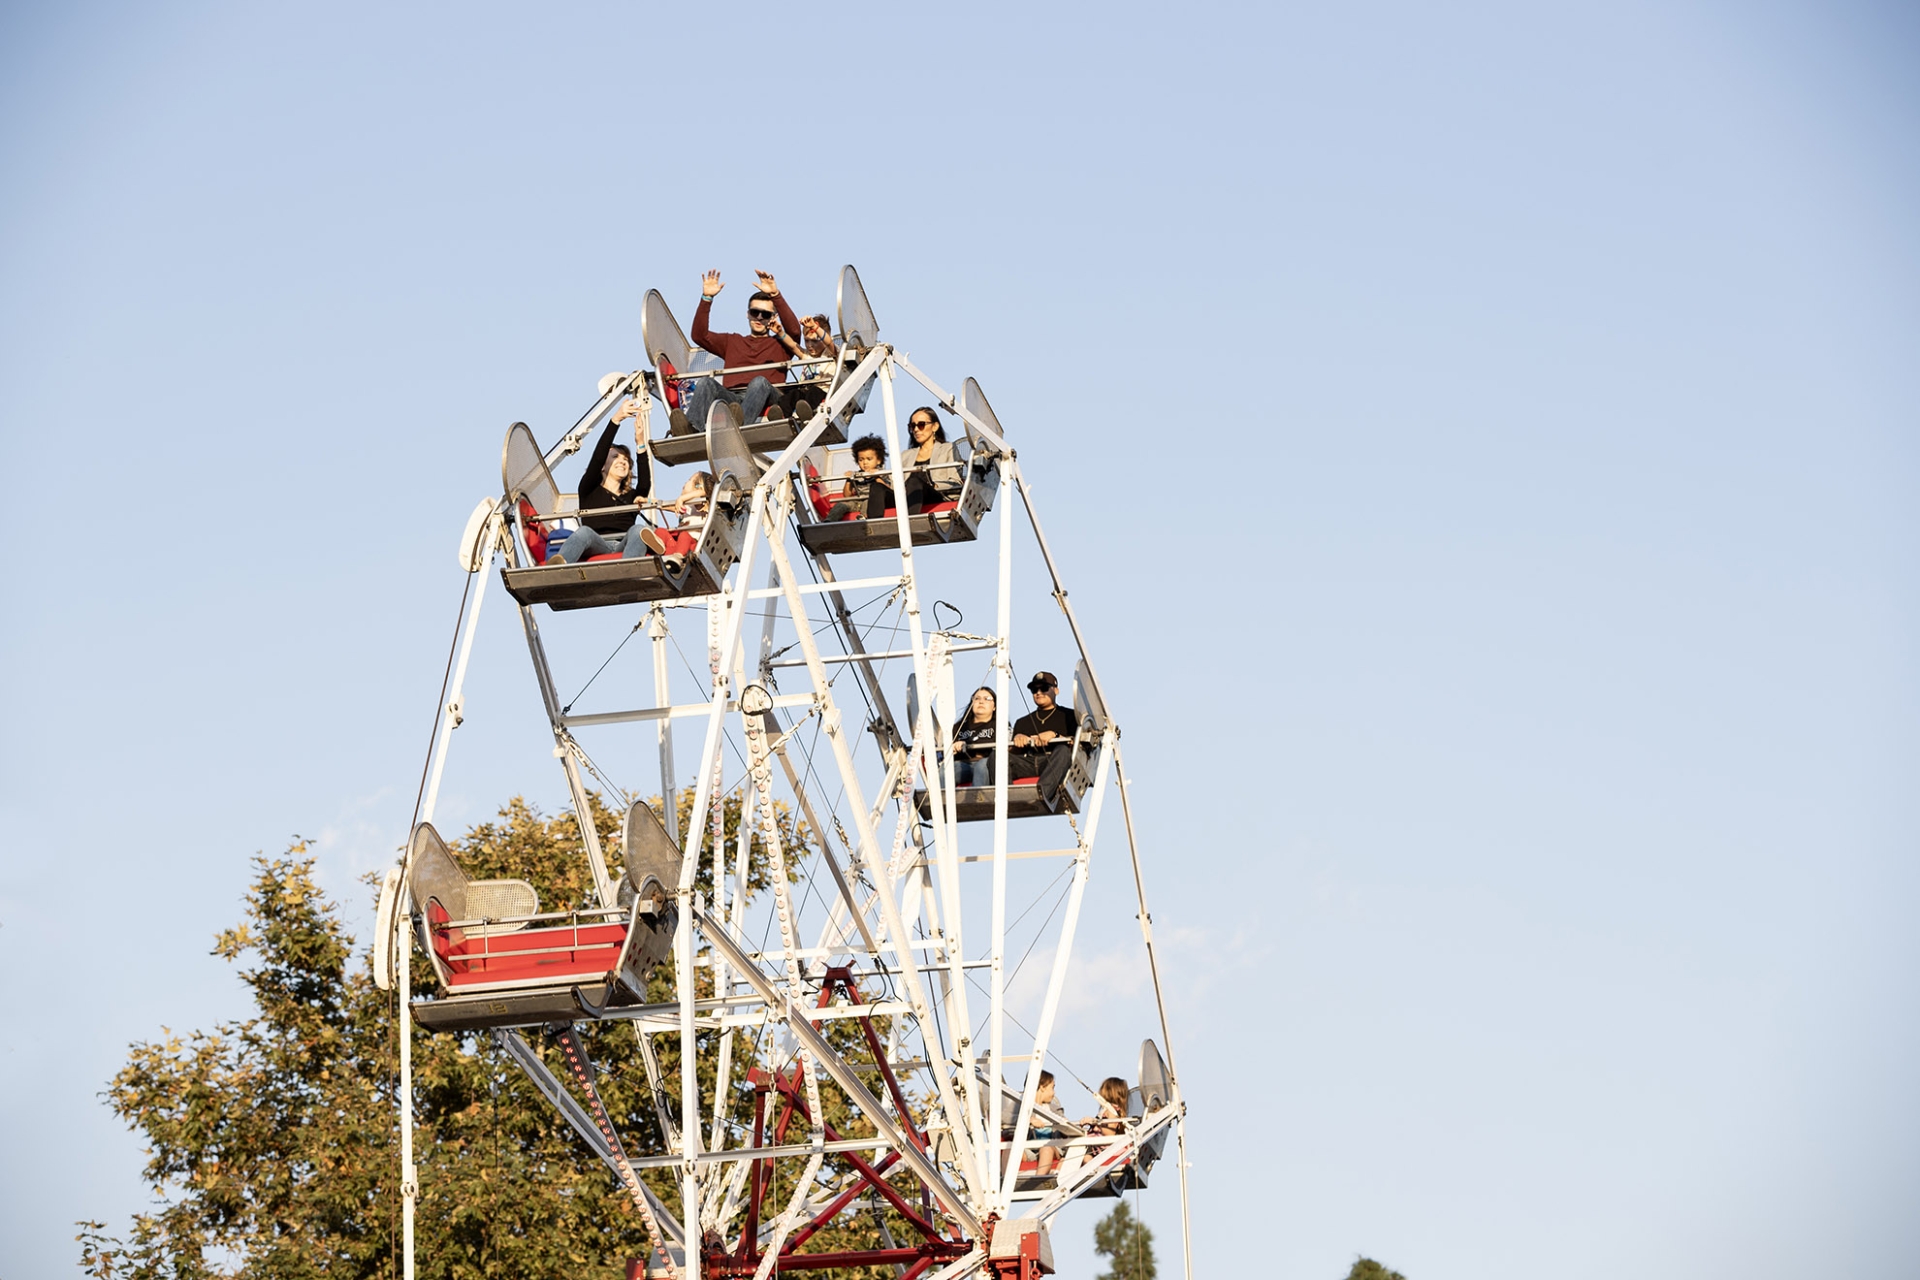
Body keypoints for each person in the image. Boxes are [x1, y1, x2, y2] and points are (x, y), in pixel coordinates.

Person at [677, 269, 804, 434]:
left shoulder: (780, 343)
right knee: (706, 382)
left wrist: (775, 295)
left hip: (768, 396)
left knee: (759, 382)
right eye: (754, 312)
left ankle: (739, 428)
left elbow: (794, 332)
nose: (759, 318)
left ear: (773, 317)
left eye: (765, 314)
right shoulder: (732, 341)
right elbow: (699, 336)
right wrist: (706, 299)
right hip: (734, 399)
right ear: (747, 314)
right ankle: (691, 429)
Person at [546, 398, 653, 564]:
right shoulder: (589, 489)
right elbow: (598, 457)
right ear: (603, 466)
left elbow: (645, 485)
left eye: (626, 459)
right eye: (615, 457)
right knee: (584, 532)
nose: (622, 461)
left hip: (623, 545)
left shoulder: (632, 497)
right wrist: (616, 420)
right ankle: (561, 565)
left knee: (638, 530)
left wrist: (640, 444)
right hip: (596, 543)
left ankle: (630, 568)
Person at [1009, 671, 1079, 805]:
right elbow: (1013, 754)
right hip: (1028, 762)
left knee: (1063, 751)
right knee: (997, 757)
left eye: (1044, 688)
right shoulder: (1023, 722)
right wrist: (1017, 739)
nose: (1039, 692)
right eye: (1034, 689)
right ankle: (1008, 797)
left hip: (1052, 762)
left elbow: (1080, 746)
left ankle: (1041, 795)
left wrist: (1055, 735)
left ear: (1056, 690)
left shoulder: (1069, 716)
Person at [638, 471, 714, 567]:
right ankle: (659, 546)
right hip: (677, 543)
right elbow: (662, 504)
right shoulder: (687, 507)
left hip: (692, 543)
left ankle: (678, 556)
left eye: (689, 480)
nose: (685, 483)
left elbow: (703, 492)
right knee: (661, 531)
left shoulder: (702, 506)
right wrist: (647, 501)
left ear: (698, 486)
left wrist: (682, 498)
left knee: (684, 535)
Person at [900, 406, 966, 512]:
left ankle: (911, 523)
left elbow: (955, 482)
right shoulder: (905, 456)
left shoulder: (948, 449)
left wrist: (935, 485)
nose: (916, 429)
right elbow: (894, 483)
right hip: (906, 498)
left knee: (914, 482)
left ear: (934, 426)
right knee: (877, 488)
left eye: (921, 425)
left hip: (937, 495)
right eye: (912, 426)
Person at [775, 312, 837, 423]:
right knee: (793, 393)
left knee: (814, 392)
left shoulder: (831, 353)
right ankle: (780, 414)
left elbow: (829, 342)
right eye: (806, 340)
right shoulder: (807, 355)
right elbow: (793, 346)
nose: (809, 345)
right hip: (804, 391)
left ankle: (805, 412)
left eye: (814, 341)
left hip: (822, 391)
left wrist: (815, 327)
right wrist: (780, 332)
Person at [822, 435, 893, 521]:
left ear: (878, 460)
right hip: (857, 501)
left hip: (872, 502)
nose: (865, 462)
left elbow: (886, 489)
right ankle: (829, 520)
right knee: (841, 505)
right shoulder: (857, 475)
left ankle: (864, 518)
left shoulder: (882, 473)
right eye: (861, 460)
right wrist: (849, 480)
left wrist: (876, 476)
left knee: (868, 503)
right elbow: (847, 496)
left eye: (869, 459)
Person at [947, 687, 998, 787]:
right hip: (963, 764)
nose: (981, 702)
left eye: (987, 699)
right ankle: (939, 801)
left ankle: (977, 800)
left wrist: (968, 745)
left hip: (987, 764)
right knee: (947, 770)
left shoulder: (999, 725)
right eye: (977, 698)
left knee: (982, 766)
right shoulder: (959, 727)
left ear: (994, 707)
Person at [1030, 1070, 1064, 1177]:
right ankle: (1002, 1182)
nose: (1054, 1093)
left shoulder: (1054, 1110)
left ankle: (1038, 1180)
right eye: (1052, 1087)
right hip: (1029, 1148)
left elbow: (1064, 1123)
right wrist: (1028, 1120)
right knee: (1009, 1149)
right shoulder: (1021, 1108)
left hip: (1050, 1148)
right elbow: (1006, 1118)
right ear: (1042, 1087)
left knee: (1046, 1147)